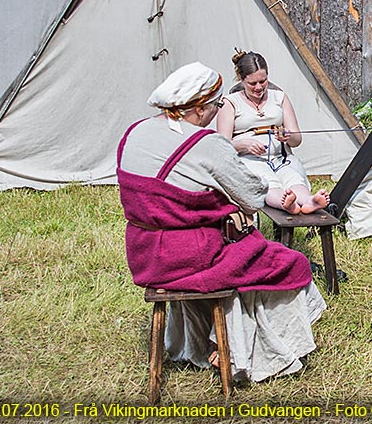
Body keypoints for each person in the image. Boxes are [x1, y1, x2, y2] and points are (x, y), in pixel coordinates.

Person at [118, 62, 326, 382]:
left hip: (146, 258)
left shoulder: (133, 133)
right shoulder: (206, 144)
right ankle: (257, 352)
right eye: (215, 106)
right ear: (199, 107)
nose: (216, 112)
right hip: (193, 259)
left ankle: (204, 340)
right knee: (290, 261)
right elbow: (251, 198)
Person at [217, 50, 330, 215]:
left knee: (292, 177)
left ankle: (309, 201)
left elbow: (297, 139)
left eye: (263, 81)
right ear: (241, 80)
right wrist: (243, 144)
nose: (258, 87)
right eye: (252, 83)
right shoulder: (230, 103)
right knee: (266, 182)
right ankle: (285, 204)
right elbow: (221, 146)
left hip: (280, 157)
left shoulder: (279, 97)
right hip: (249, 160)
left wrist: (288, 137)